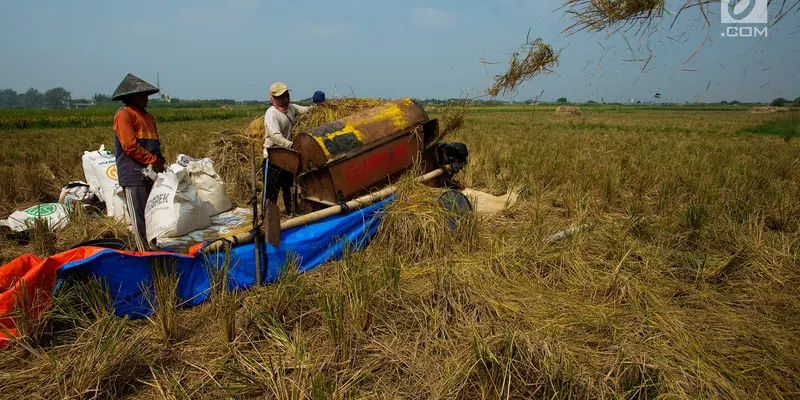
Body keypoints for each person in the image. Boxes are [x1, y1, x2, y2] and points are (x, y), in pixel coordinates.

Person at [111, 73, 165, 251]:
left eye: (146, 95)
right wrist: (153, 160)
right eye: (141, 95)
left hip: (150, 174)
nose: (145, 99)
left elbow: (154, 144)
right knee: (140, 217)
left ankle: (153, 247)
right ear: (130, 97)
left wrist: (160, 161)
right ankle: (144, 253)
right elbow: (130, 146)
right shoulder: (124, 115)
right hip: (134, 174)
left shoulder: (147, 117)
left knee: (153, 214)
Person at [263, 82, 311, 215]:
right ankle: (267, 218)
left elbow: (305, 110)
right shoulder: (271, 114)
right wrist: (293, 146)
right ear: (273, 98)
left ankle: (292, 213)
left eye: (287, 96)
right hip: (273, 157)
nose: (285, 99)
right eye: (281, 97)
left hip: (288, 157)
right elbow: (275, 137)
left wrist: (319, 107)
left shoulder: (291, 108)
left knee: (289, 188)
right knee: (271, 191)